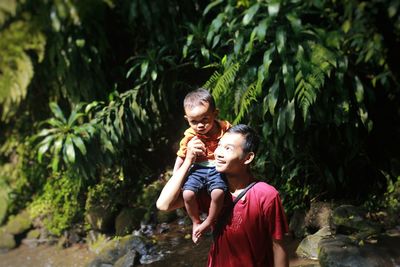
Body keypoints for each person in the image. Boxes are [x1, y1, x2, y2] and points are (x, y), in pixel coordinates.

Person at [157, 124, 289, 267]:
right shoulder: (211, 193)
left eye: (228, 148)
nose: (218, 153)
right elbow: (164, 204)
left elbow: (279, 247)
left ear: (248, 157)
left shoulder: (266, 195)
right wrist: (188, 161)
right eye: (219, 146)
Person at [173, 88, 231, 243]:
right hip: (198, 170)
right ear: (187, 119)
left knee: (218, 193)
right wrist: (175, 178)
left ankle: (210, 220)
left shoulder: (225, 129)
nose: (199, 125)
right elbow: (181, 156)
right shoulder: (190, 136)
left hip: (218, 168)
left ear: (215, 114)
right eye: (194, 121)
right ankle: (196, 221)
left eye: (205, 119)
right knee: (187, 194)